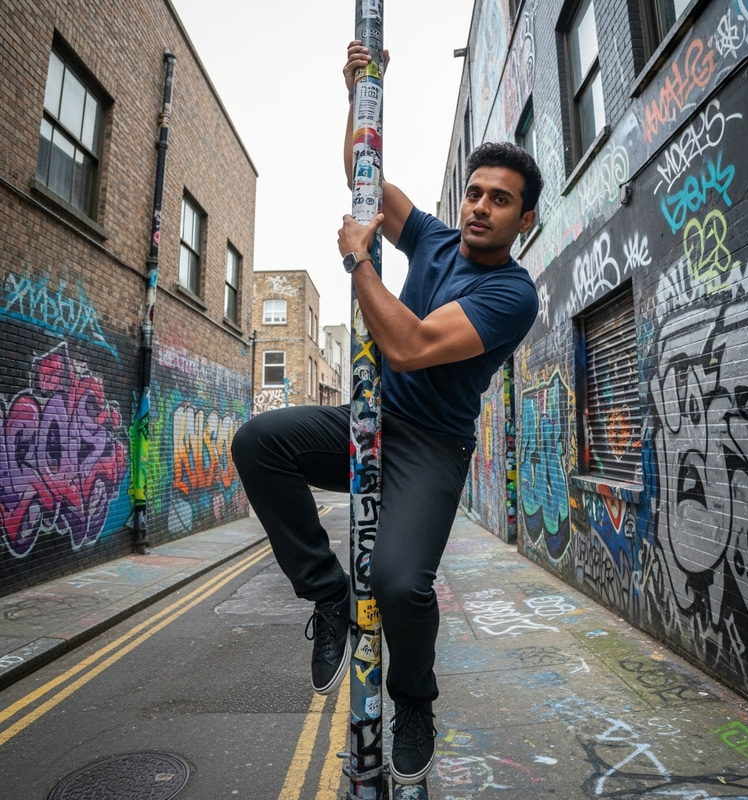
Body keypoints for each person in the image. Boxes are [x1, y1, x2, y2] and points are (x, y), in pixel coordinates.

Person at [231, 40, 543, 786]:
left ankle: (414, 701)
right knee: (257, 443)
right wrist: (359, 94)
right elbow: (362, 177)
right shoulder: (435, 238)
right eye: (474, 192)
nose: (479, 207)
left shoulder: (512, 295)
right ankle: (328, 595)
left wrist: (359, 264)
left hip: (428, 446)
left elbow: (405, 346)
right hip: (366, 419)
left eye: (499, 200)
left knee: (402, 584)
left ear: (523, 220)